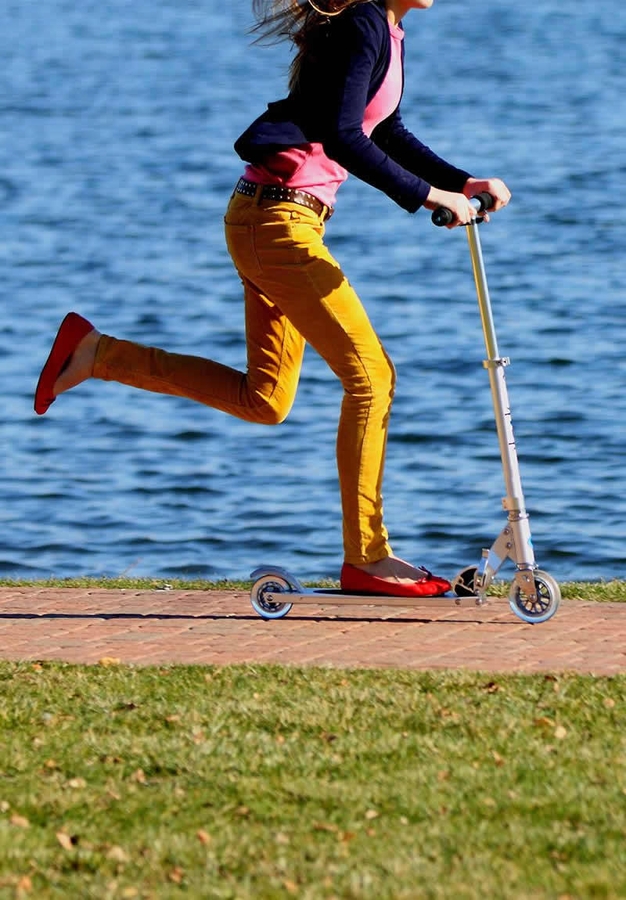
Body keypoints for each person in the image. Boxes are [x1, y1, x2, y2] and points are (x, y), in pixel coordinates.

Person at [34, 0, 511, 598]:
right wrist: (426, 196)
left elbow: (383, 129)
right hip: (277, 225)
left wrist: (460, 181)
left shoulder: (387, 29)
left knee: (265, 401)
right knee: (372, 378)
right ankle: (366, 557)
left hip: (274, 221)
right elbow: (342, 136)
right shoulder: (364, 22)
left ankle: (96, 354)